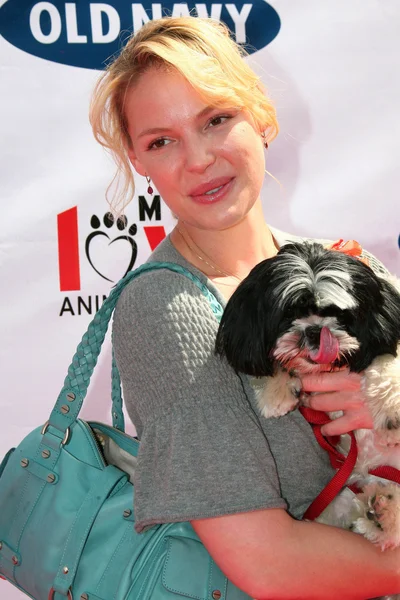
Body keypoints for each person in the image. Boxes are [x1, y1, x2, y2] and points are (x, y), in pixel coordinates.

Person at [90, 16, 400, 599]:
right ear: (139, 161)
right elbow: (268, 565)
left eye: (216, 120)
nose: (199, 158)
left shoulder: (349, 269)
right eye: (162, 141)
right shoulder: (168, 307)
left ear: (261, 117)